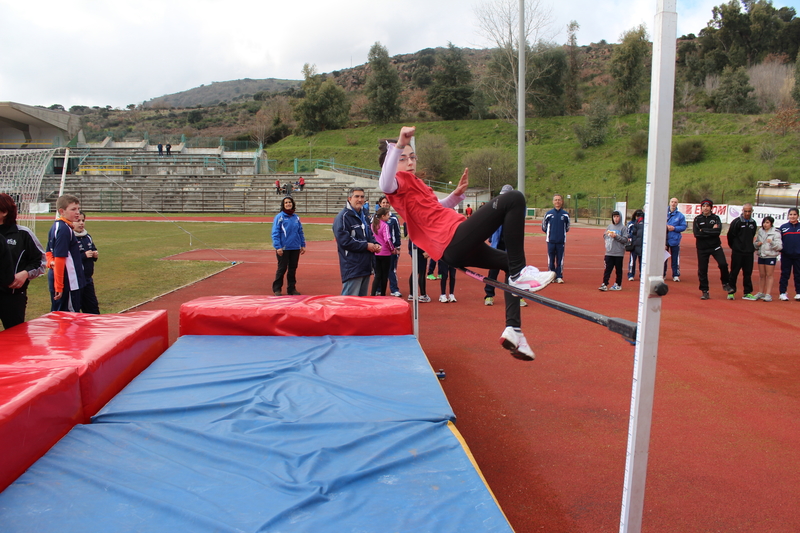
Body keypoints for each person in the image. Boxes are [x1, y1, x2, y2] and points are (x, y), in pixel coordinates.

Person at [379, 126, 554, 360]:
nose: (409, 162)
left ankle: (514, 331)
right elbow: (385, 183)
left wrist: (455, 195)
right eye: (402, 158)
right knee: (513, 198)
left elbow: (435, 208)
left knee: (506, 262)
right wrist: (398, 144)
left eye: (412, 157)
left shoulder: (416, 183)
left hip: (453, 247)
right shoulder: (396, 182)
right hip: (451, 238)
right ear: (391, 162)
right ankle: (521, 273)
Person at [0, 193, 46, 329]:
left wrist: (25, 273)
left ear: (4, 212)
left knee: (15, 338)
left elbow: (40, 261)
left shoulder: (23, 234)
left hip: (12, 296)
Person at [333, 187, 380, 296]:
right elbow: (345, 241)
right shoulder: (343, 217)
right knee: (349, 302)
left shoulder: (364, 215)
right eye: (356, 196)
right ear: (349, 198)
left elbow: (369, 234)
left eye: (362, 197)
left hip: (365, 265)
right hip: (352, 266)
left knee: (361, 302)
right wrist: (366, 246)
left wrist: (375, 244)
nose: (360, 199)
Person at [46, 194, 86, 312]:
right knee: (69, 316)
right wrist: (59, 286)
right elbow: (59, 257)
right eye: (73, 209)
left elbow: (48, 252)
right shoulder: (64, 229)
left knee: (59, 314)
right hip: (68, 281)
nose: (77, 212)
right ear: (61, 211)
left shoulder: (58, 226)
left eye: (78, 209)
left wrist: (50, 263)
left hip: (65, 280)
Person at [693, 199, 731, 300]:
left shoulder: (716, 218)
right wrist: (710, 231)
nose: (705, 208)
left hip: (715, 246)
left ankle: (725, 283)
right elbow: (697, 234)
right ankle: (704, 291)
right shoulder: (697, 219)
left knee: (723, 264)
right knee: (702, 270)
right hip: (702, 248)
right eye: (704, 206)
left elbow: (717, 232)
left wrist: (704, 231)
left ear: (711, 207)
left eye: (707, 206)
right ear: (701, 208)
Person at [271, 196, 306, 296]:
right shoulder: (279, 217)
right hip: (284, 248)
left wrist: (302, 244)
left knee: (292, 269)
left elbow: (300, 231)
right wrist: (278, 246)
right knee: (282, 268)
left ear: (292, 204)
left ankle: (291, 289)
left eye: (289, 202)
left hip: (295, 247)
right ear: (283, 205)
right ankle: (277, 289)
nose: (288, 204)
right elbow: (275, 232)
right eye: (286, 203)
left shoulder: (296, 217)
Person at [727, 203, 758, 300]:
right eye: (746, 211)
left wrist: (749, 247)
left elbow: (752, 235)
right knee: (734, 272)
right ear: (742, 211)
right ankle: (731, 291)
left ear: (752, 211)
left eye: (749, 211)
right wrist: (735, 247)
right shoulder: (736, 222)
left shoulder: (753, 223)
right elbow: (730, 236)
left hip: (749, 253)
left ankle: (747, 292)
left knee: (748, 273)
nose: (747, 213)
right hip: (738, 252)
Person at [74, 212, 100, 314]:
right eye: (78, 221)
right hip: (76, 281)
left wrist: (95, 254)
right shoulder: (70, 238)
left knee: (92, 308)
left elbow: (93, 248)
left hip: (88, 279)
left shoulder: (87, 236)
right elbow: (69, 259)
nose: (81, 223)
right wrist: (83, 255)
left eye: (83, 221)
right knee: (76, 309)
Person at [378, 196, 403, 297]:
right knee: (378, 270)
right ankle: (378, 289)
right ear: (380, 204)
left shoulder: (393, 218)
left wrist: (397, 246)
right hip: (379, 249)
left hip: (391, 249)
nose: (385, 204)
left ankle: (394, 289)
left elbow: (397, 233)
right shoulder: (375, 218)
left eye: (387, 202)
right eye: (383, 202)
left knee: (391, 269)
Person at [542, 193, 570, 283]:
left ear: (561, 202)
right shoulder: (549, 214)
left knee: (560, 259)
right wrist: (550, 233)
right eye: (555, 200)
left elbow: (567, 227)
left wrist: (560, 234)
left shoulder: (565, 215)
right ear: (553, 202)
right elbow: (544, 226)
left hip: (561, 241)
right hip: (550, 240)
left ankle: (559, 276)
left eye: (559, 200)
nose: (557, 201)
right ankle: (551, 276)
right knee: (551, 258)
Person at [754, 216, 782, 302]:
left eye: (767, 223)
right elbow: (755, 243)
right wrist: (757, 244)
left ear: (771, 223)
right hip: (762, 255)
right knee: (762, 275)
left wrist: (772, 242)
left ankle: (768, 294)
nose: (765, 224)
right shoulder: (761, 231)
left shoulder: (776, 233)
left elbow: (779, 247)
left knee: (769, 275)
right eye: (764, 222)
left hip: (770, 256)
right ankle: (761, 292)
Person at [599, 210, 628, 291]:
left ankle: (618, 284)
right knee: (607, 269)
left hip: (619, 253)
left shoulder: (623, 228)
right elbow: (604, 235)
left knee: (618, 270)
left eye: (617, 217)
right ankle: (604, 283)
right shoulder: (609, 227)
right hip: (609, 252)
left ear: (620, 217)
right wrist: (607, 235)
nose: (616, 218)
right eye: (614, 217)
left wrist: (616, 236)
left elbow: (625, 240)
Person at [370, 207, 394, 296]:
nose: (389, 217)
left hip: (376, 252)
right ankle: (383, 294)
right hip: (385, 253)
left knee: (378, 275)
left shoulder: (373, 224)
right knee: (385, 275)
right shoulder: (385, 225)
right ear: (383, 216)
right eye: (388, 215)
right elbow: (387, 239)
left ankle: (373, 293)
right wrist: (392, 249)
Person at [778, 207, 800, 301]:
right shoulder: (783, 227)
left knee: (798, 274)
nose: (792, 216)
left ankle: (798, 293)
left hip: (798, 256)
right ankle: (782, 293)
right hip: (786, 255)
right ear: (788, 216)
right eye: (791, 214)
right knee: (785, 274)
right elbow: (779, 241)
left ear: (798, 216)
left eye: (794, 214)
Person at [665, 197, 686, 282]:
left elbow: (683, 226)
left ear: (677, 204)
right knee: (663, 258)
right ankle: (662, 274)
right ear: (669, 202)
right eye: (672, 202)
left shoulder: (680, 215)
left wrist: (674, 228)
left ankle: (676, 274)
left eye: (675, 202)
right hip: (664, 239)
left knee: (675, 258)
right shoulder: (663, 213)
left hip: (675, 239)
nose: (673, 204)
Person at [627, 210, 644, 281]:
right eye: (637, 216)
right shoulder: (631, 224)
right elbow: (628, 233)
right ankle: (631, 274)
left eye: (639, 216)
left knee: (642, 261)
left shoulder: (644, 224)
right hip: (633, 245)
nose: (638, 217)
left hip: (641, 245)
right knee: (632, 260)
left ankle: (642, 274)